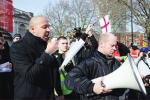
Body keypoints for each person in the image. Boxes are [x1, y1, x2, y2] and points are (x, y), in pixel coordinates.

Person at [10, 16, 59, 99]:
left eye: (48, 27)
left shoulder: (44, 44)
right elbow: (30, 75)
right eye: (44, 27)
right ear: (33, 29)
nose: (48, 30)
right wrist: (47, 53)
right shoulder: (18, 47)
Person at [65, 33, 125, 100]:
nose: (114, 49)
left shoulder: (116, 63)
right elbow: (69, 79)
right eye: (112, 45)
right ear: (102, 44)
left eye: (115, 46)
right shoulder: (88, 62)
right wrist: (91, 87)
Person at [0, 32, 14, 99]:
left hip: (5, 83)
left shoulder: (3, 52)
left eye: (2, 42)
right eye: (0, 43)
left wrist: (11, 65)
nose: (2, 44)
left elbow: (9, 57)